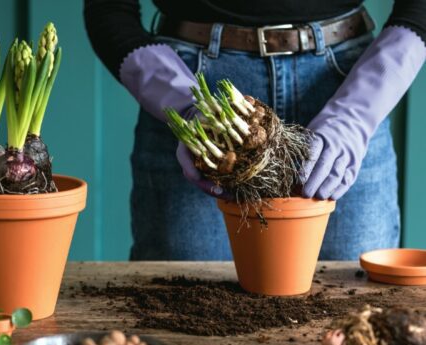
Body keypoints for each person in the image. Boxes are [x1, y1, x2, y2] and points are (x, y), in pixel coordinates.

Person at [84, 1, 425, 261]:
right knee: (181, 312)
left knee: (355, 312)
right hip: (198, 87)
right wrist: (190, 108)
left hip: (348, 83)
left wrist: (356, 113)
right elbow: (107, 9)